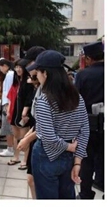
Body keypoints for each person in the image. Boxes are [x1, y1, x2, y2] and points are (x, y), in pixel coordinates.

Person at [27, 50, 89, 199]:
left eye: (38, 72)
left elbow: (48, 137)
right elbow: (84, 130)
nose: (37, 76)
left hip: (46, 155)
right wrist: (77, 162)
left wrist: (69, 147)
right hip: (68, 157)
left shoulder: (44, 100)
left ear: (45, 73)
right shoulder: (76, 97)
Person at [74, 41, 104, 198]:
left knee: (86, 160)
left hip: (88, 123)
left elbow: (75, 100)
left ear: (88, 58)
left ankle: (86, 193)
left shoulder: (83, 75)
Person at [16, 46, 46, 199]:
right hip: (37, 136)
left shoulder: (51, 90)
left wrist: (27, 138)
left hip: (47, 144)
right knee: (31, 179)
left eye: (30, 64)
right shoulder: (38, 86)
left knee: (36, 181)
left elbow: (47, 125)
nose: (28, 68)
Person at [8, 59, 35, 169]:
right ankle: (16, 156)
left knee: (24, 136)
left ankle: (25, 160)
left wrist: (25, 112)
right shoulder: (17, 81)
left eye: (20, 67)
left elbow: (29, 98)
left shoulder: (28, 82)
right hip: (15, 111)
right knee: (16, 135)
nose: (18, 69)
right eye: (16, 67)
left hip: (24, 112)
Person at [0, 59, 16, 157]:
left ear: (5, 65)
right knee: (8, 127)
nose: (0, 70)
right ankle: (11, 148)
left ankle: (10, 148)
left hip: (7, 103)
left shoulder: (9, 74)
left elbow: (8, 91)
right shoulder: (10, 74)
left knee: (7, 127)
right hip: (7, 102)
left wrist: (7, 105)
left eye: (0, 67)